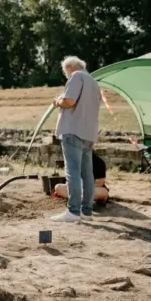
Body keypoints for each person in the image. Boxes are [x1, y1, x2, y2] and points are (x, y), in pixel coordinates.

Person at [51, 56, 102, 222]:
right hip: (89, 133)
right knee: (87, 173)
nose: (66, 75)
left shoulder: (76, 76)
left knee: (72, 172)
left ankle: (73, 211)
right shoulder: (94, 83)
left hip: (73, 131)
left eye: (66, 72)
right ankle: (87, 211)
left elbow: (69, 101)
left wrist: (58, 101)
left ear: (70, 67)